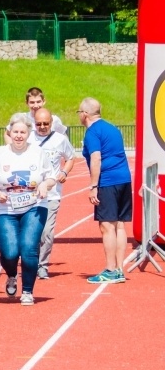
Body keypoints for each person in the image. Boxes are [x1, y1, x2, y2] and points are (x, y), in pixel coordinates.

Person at [0, 113, 56, 306]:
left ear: (28, 133)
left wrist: (44, 185)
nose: (18, 136)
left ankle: (27, 291)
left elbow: (51, 176)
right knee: (9, 253)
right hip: (6, 208)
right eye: (15, 131)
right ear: (9, 132)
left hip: (35, 206)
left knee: (28, 248)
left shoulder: (38, 153)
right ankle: (11, 275)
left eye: (22, 132)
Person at [79, 97, 132, 283]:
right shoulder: (113, 128)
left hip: (107, 181)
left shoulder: (93, 132)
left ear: (85, 114)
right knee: (119, 225)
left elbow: (96, 158)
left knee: (106, 225)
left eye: (79, 112)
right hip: (124, 179)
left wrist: (93, 186)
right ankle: (119, 268)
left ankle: (110, 269)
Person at [28, 107, 75, 279]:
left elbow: (71, 157)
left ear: (51, 123)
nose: (42, 127)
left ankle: (43, 265)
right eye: (38, 124)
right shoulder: (28, 138)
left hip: (52, 194)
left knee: (47, 231)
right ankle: (30, 263)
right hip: (29, 194)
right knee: (31, 232)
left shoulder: (60, 139)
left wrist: (64, 172)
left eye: (45, 124)